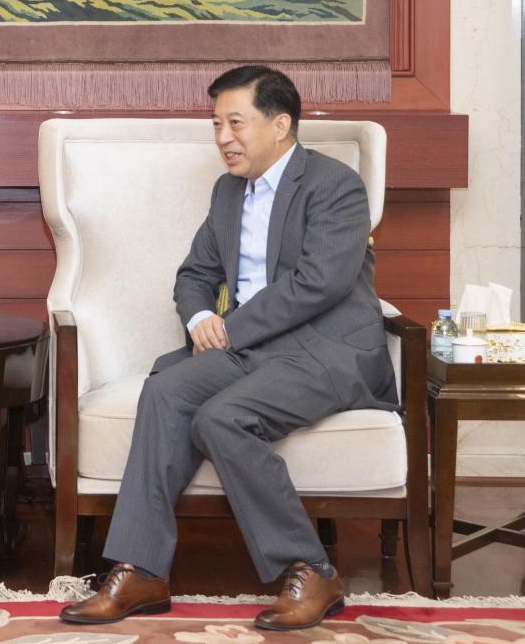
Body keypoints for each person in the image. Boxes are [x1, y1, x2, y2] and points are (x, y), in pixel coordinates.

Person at [59, 65, 396, 631]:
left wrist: (231, 327)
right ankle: (142, 569)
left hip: (327, 351)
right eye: (216, 124)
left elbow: (320, 283)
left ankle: (311, 570)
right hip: (253, 350)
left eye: (235, 123)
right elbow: (195, 273)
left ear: (280, 125)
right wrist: (199, 318)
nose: (222, 137)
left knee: (223, 417)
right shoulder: (228, 192)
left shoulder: (334, 184)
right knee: (165, 391)